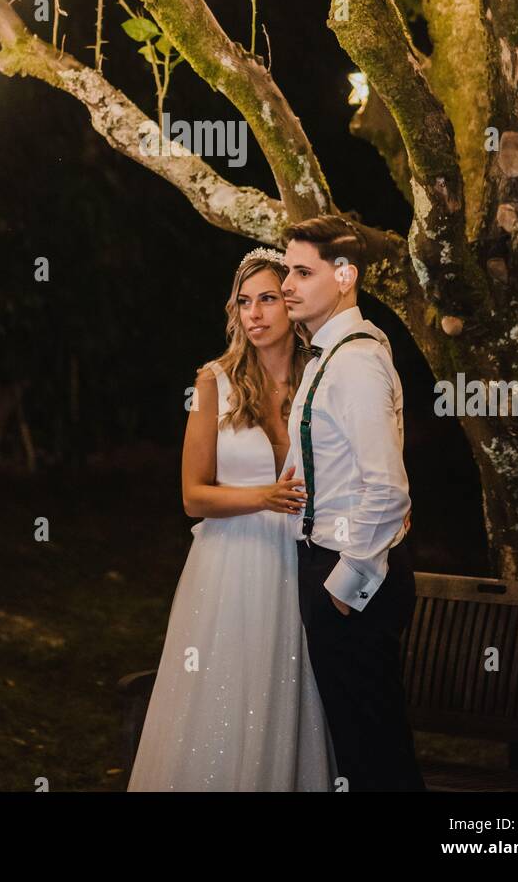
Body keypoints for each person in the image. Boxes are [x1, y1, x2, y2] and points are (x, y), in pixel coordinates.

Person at [127, 249, 335, 791]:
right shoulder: (213, 381)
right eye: (244, 302)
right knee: (222, 691)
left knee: (292, 689)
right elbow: (193, 497)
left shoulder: (321, 376)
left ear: (290, 305)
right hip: (229, 564)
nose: (255, 314)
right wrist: (262, 497)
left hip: (301, 559)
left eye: (267, 299)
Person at [281, 215, 427, 792]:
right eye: (287, 270)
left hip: (353, 575)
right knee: (357, 746)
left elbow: (388, 490)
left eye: (301, 271)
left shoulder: (359, 362)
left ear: (345, 276)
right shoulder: (332, 356)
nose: (288, 283)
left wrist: (346, 587)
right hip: (328, 562)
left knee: (376, 751)